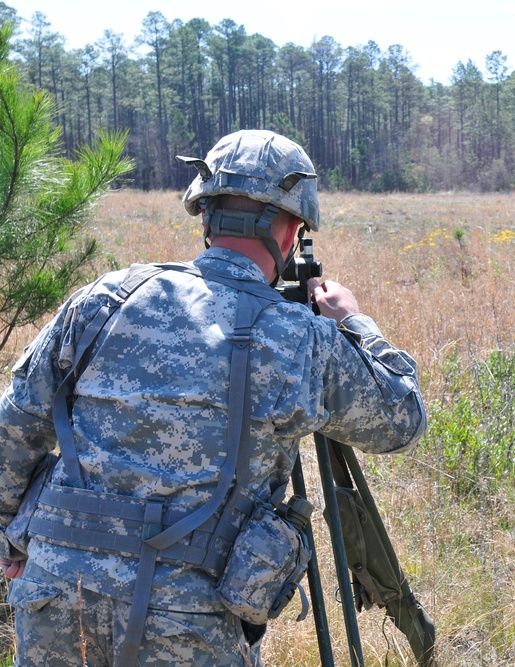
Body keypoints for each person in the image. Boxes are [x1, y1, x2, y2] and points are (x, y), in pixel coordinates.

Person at [0, 129, 427, 666]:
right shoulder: (298, 338)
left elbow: (14, 427)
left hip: (57, 596)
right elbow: (402, 417)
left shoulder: (104, 299)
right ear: (293, 230)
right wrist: (353, 322)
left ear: (204, 217)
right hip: (188, 619)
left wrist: (9, 544)